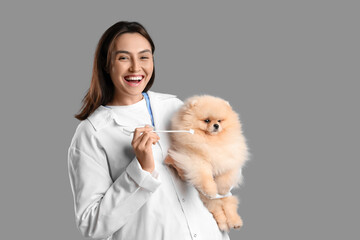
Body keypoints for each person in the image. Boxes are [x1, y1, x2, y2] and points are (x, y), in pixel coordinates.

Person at [68, 21, 230, 240]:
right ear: (106, 64)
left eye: (144, 57)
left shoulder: (177, 108)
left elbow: (222, 187)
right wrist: (141, 171)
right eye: (123, 58)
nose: (136, 68)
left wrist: (198, 173)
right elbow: (92, 225)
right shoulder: (92, 133)